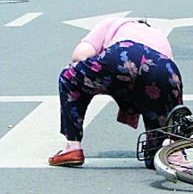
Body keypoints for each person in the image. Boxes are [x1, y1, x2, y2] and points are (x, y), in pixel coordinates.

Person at [48, 17, 183, 169]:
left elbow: (79, 56)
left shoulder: (113, 23)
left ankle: (72, 147)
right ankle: (169, 150)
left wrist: (104, 84)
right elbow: (157, 89)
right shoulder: (159, 35)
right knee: (155, 156)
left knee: (69, 77)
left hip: (124, 52)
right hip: (164, 67)